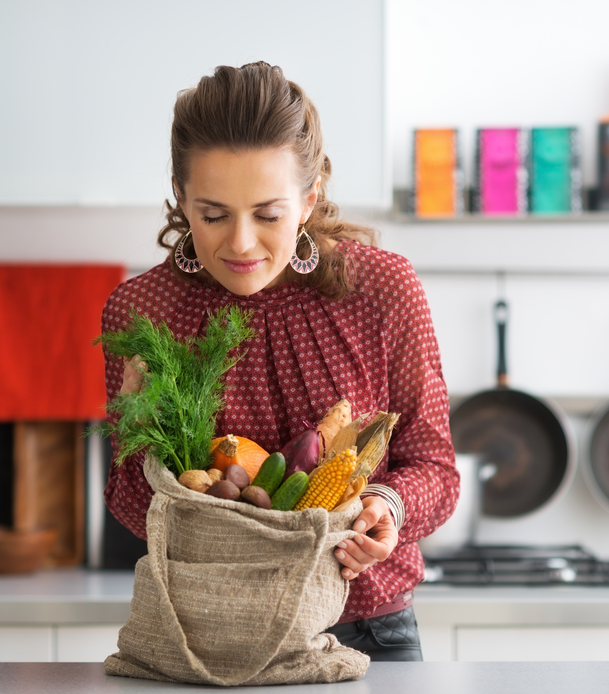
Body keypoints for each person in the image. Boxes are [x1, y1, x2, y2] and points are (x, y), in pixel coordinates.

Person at [100, 62, 459, 662]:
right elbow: (131, 505)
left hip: (367, 631)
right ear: (181, 197)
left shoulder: (383, 289)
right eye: (213, 214)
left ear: (308, 198)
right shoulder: (144, 312)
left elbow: (435, 468)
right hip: (211, 634)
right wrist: (143, 445)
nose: (240, 243)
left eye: (268, 214)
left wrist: (384, 509)